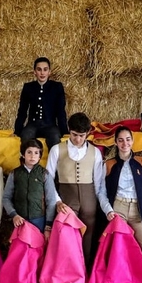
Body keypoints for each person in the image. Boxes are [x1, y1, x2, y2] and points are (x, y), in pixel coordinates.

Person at [46, 112, 110, 267]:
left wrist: (101, 206)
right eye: (74, 135)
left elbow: (99, 182)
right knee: (68, 241)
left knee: (88, 240)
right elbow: (47, 179)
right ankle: (69, 274)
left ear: (88, 133)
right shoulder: (56, 150)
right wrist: (57, 200)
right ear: (69, 130)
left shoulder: (95, 152)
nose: (78, 139)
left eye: (82, 135)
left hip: (90, 203)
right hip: (66, 202)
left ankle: (86, 273)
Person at [101, 126, 142, 275]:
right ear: (115, 143)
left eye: (128, 139)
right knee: (117, 252)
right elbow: (101, 192)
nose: (124, 143)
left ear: (132, 141)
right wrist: (108, 210)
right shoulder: (108, 164)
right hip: (118, 209)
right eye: (120, 140)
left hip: (138, 210)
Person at [3, 139, 58, 235]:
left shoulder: (44, 174)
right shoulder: (14, 174)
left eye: (36, 153)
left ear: (40, 156)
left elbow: (51, 200)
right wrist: (14, 215)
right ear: (23, 154)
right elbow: (6, 198)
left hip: (39, 220)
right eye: (29, 152)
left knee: (37, 248)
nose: (33, 156)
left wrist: (48, 225)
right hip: (20, 220)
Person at [14, 57, 68, 150]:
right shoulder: (28, 87)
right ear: (34, 72)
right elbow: (22, 110)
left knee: (55, 138)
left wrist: (64, 132)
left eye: (45, 69)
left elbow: (61, 111)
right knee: (26, 137)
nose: (42, 73)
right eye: (39, 70)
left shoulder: (57, 87)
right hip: (32, 125)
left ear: (49, 72)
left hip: (50, 125)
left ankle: (54, 164)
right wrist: (17, 130)